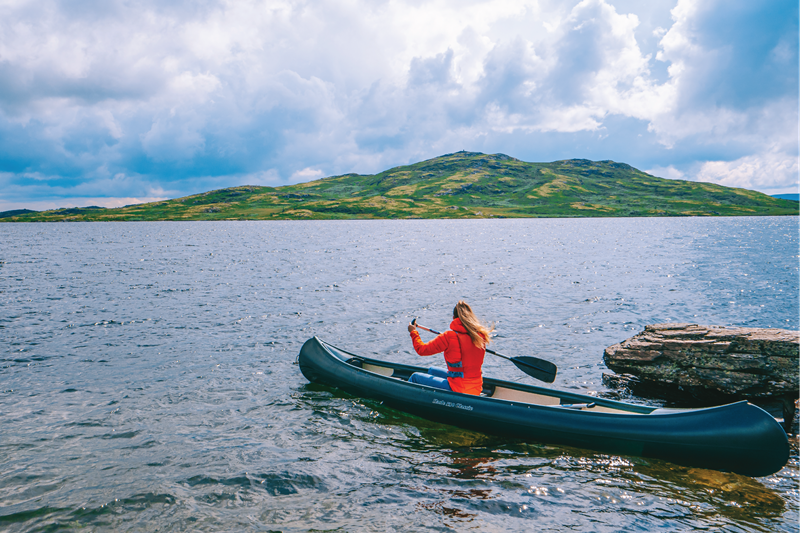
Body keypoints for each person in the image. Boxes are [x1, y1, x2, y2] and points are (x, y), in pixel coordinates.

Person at [407, 301, 493, 395]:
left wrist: (413, 332)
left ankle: (406, 398)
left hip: (459, 388)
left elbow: (421, 350)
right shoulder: (480, 336)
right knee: (432, 370)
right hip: (476, 387)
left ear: (453, 318)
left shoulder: (449, 337)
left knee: (415, 377)